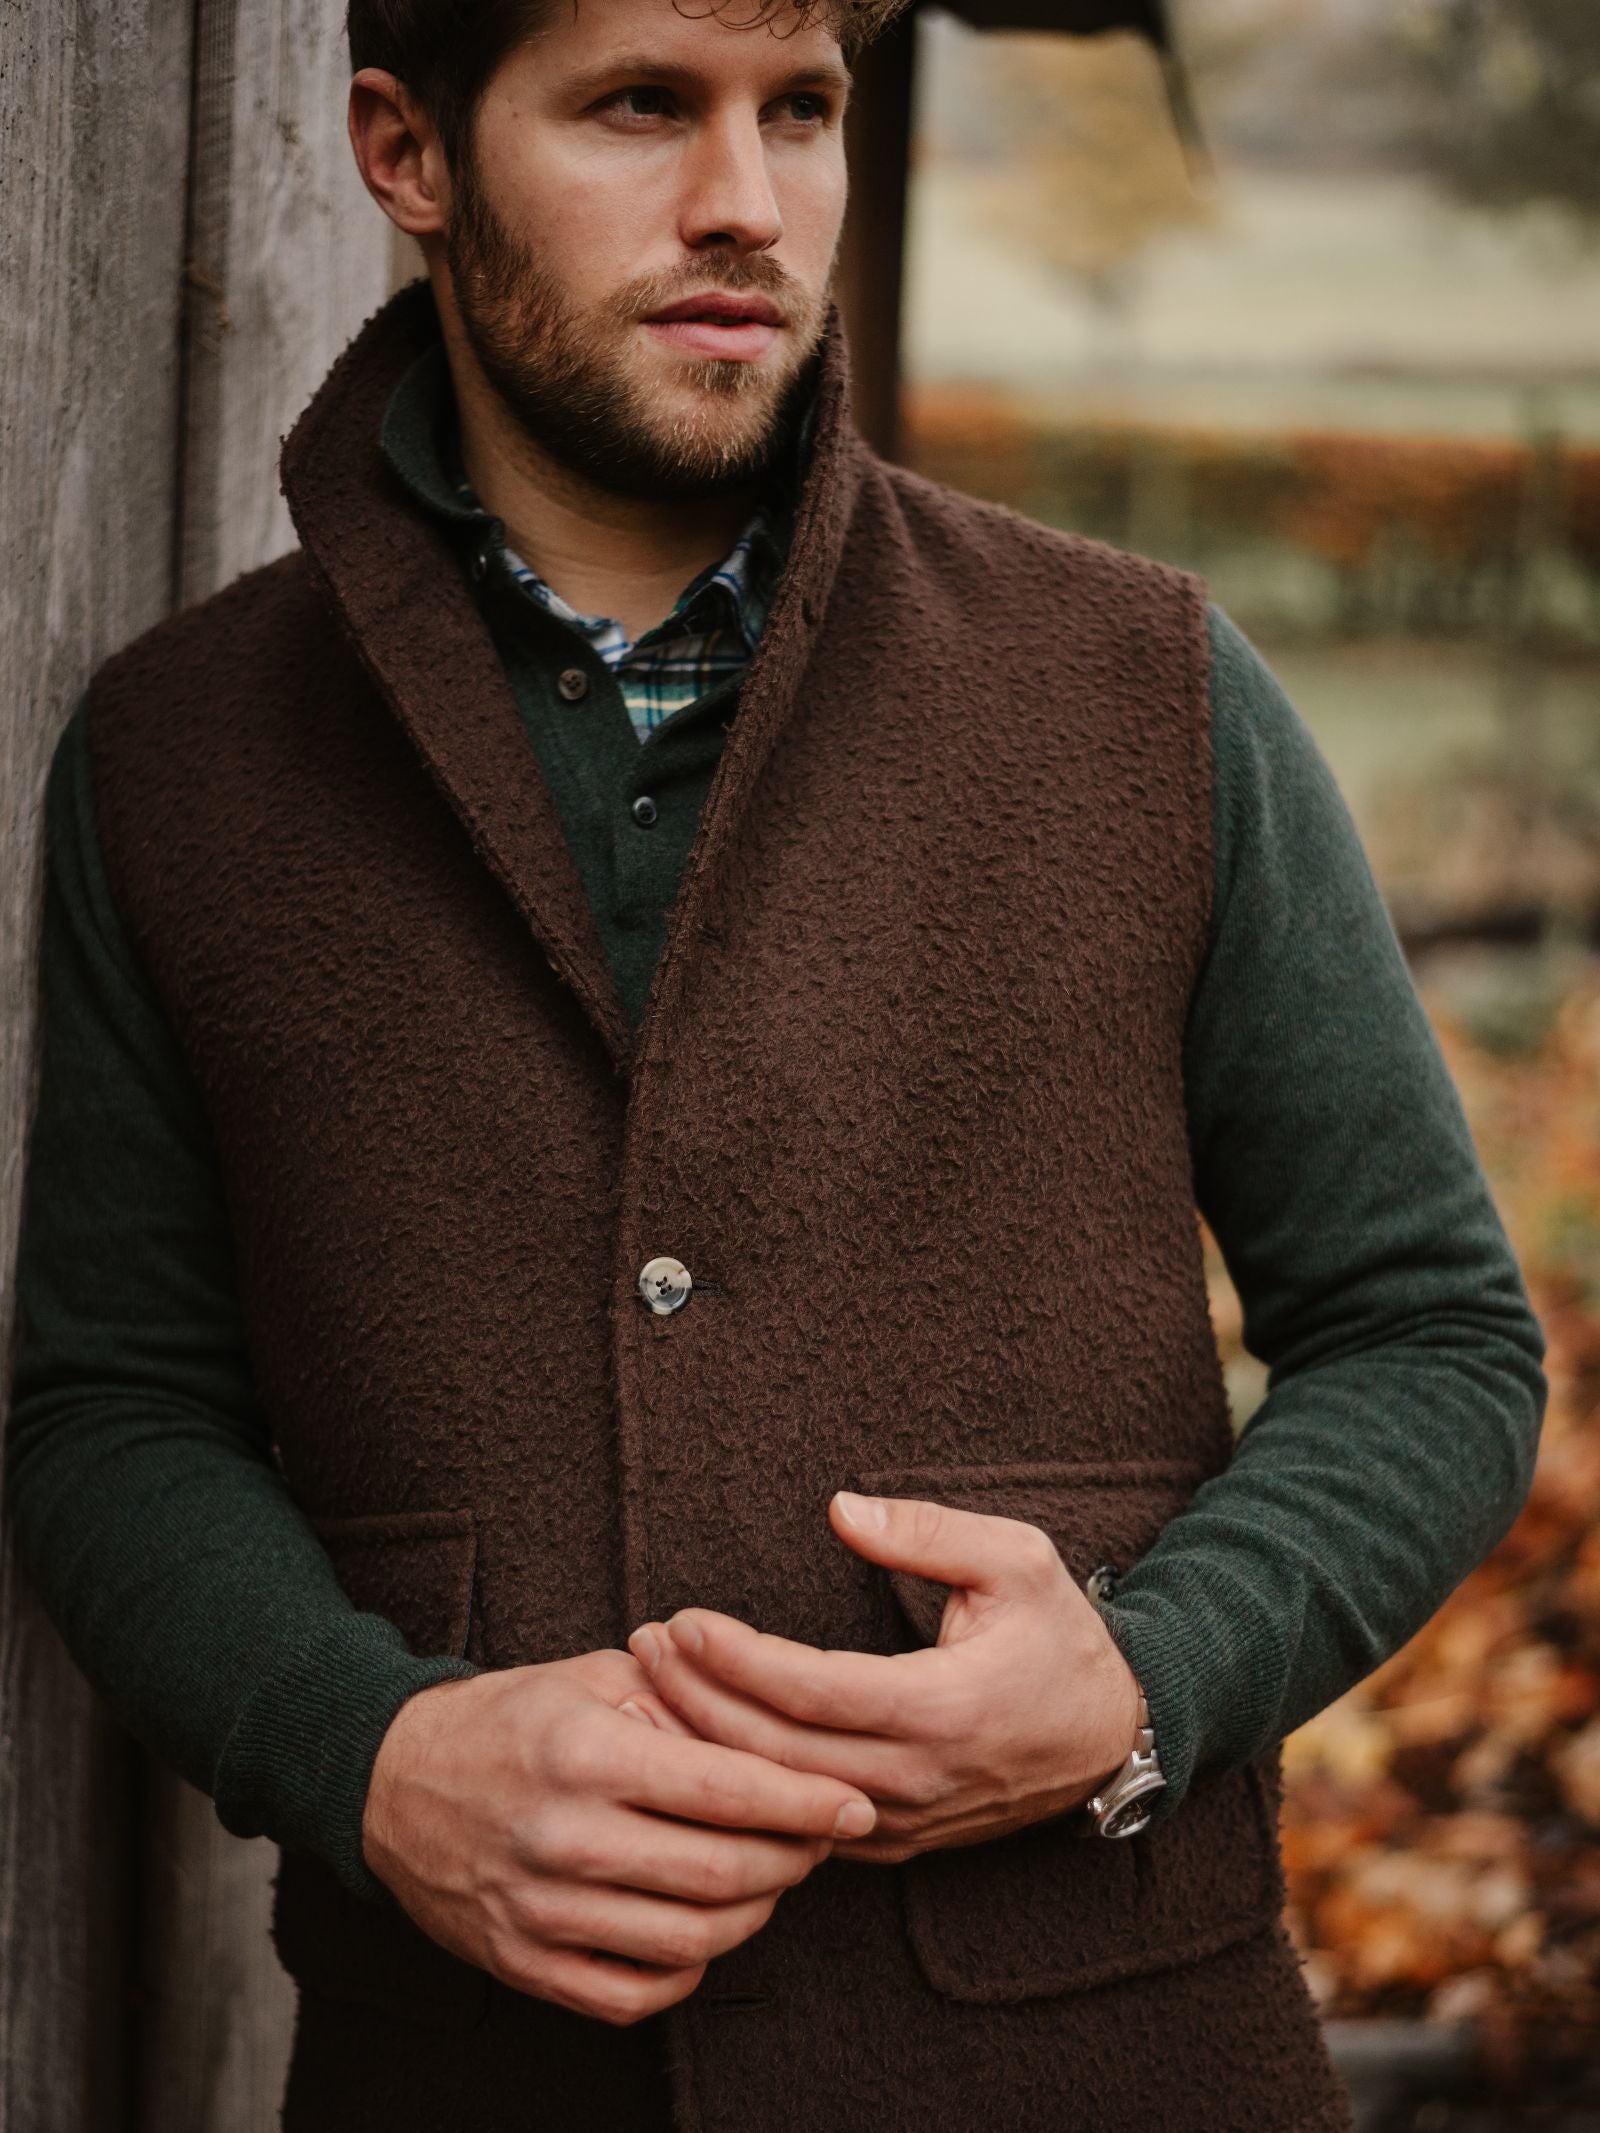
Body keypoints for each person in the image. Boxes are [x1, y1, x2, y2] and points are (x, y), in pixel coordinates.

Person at [5, 0, 1546, 2126]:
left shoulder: (1143, 692)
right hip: (465, 2077)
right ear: (406, 148)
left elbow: (1432, 1330)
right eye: (641, 104)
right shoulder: (180, 763)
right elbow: (114, 1407)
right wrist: (363, 1750)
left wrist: (1143, 1672)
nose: (744, 200)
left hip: (1113, 2066)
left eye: (798, 110)